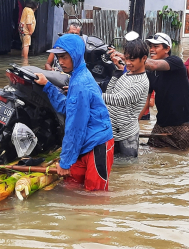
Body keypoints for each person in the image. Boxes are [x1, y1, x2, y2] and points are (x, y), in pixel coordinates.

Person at [33, 34, 114, 191]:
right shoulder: (77, 77)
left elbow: (75, 126)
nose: (60, 62)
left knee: (95, 196)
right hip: (84, 143)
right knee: (72, 189)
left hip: (98, 143)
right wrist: (48, 86)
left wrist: (65, 162)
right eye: (58, 57)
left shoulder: (80, 84)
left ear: (75, 54)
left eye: (64, 57)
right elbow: (67, 108)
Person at [143, 33, 189, 150]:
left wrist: (126, 57)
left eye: (156, 46)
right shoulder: (151, 73)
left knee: (178, 161)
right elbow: (146, 101)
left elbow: (154, 65)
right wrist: (135, 122)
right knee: (152, 154)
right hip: (161, 124)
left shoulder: (176, 62)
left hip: (182, 125)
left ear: (167, 49)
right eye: (150, 46)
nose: (152, 49)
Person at [103, 38, 150, 157]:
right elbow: (110, 93)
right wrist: (118, 71)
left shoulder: (141, 82)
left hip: (127, 138)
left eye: (132, 60)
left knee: (127, 170)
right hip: (113, 133)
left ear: (144, 58)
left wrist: (90, 95)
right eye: (127, 58)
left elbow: (118, 99)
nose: (128, 63)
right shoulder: (127, 74)